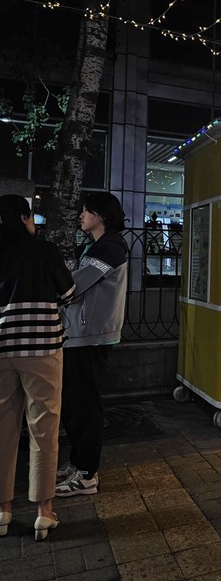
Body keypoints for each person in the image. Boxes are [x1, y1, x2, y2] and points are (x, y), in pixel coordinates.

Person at [0, 194, 75, 540]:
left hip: (2, 348)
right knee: (44, 428)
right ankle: (44, 512)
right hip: (42, 349)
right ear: (24, 217)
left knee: (3, 429)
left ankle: (3, 510)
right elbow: (68, 292)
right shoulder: (44, 250)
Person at [56, 192, 128, 498]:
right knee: (75, 403)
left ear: (101, 215)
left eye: (86, 211)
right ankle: (79, 463)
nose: (81, 215)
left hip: (91, 336)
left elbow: (74, 286)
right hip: (82, 334)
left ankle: (86, 475)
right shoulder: (96, 246)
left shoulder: (110, 248)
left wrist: (54, 287)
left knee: (84, 405)